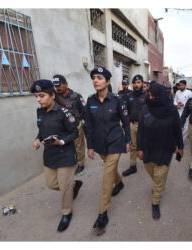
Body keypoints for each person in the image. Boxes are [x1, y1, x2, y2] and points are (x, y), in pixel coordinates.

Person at [31, 79, 81, 232]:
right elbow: (42, 130)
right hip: (50, 155)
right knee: (51, 184)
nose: (38, 99)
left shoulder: (63, 112)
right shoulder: (40, 111)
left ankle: (67, 212)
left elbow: (74, 132)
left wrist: (61, 141)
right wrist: (38, 139)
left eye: (41, 95)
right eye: (36, 96)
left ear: (52, 95)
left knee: (64, 189)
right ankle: (74, 185)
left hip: (65, 154)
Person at [84, 67, 131, 230]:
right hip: (100, 144)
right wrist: (89, 146)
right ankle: (119, 183)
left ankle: (102, 213)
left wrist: (128, 140)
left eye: (99, 77)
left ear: (108, 81)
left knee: (106, 176)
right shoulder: (90, 101)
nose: (95, 80)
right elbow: (88, 126)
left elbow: (125, 121)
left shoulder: (117, 100)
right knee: (111, 171)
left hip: (115, 142)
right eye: (93, 78)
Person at [137, 82, 184, 220]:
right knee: (152, 172)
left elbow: (177, 130)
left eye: (152, 96)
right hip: (148, 149)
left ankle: (155, 202)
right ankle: (159, 185)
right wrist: (139, 148)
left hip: (165, 148)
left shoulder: (172, 110)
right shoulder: (145, 109)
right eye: (149, 95)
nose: (149, 98)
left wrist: (180, 147)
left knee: (160, 176)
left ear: (160, 96)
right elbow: (140, 130)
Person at [52, 74, 86, 176]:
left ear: (66, 84)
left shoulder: (76, 96)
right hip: (63, 127)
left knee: (78, 146)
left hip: (76, 125)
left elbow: (84, 111)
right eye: (55, 86)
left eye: (59, 85)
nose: (57, 88)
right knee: (66, 145)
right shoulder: (55, 97)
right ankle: (69, 162)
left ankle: (81, 164)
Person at [122, 74, 147, 177]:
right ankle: (133, 166)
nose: (136, 85)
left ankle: (149, 162)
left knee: (146, 144)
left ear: (142, 84)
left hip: (144, 126)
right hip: (132, 125)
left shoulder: (146, 95)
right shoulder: (129, 96)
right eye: (135, 83)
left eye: (138, 82)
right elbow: (126, 111)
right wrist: (125, 124)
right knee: (133, 146)